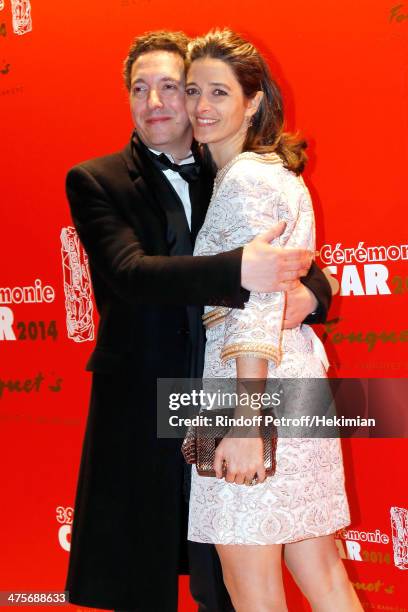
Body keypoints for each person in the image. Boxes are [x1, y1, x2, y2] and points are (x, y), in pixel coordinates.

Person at [65, 30, 333, 612]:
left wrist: (312, 295)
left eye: (171, 87)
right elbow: (130, 273)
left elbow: (298, 265)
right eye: (141, 88)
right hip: (147, 402)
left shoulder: (235, 169)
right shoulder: (96, 179)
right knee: (150, 579)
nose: (156, 102)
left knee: (239, 582)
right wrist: (242, 268)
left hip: (231, 396)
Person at [185, 29, 363, 612]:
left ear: (254, 101)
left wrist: (243, 422)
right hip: (295, 382)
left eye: (219, 92)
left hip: (251, 392)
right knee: (323, 574)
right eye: (194, 92)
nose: (202, 107)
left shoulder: (243, 181)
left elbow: (256, 303)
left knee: (252, 587)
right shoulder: (277, 175)